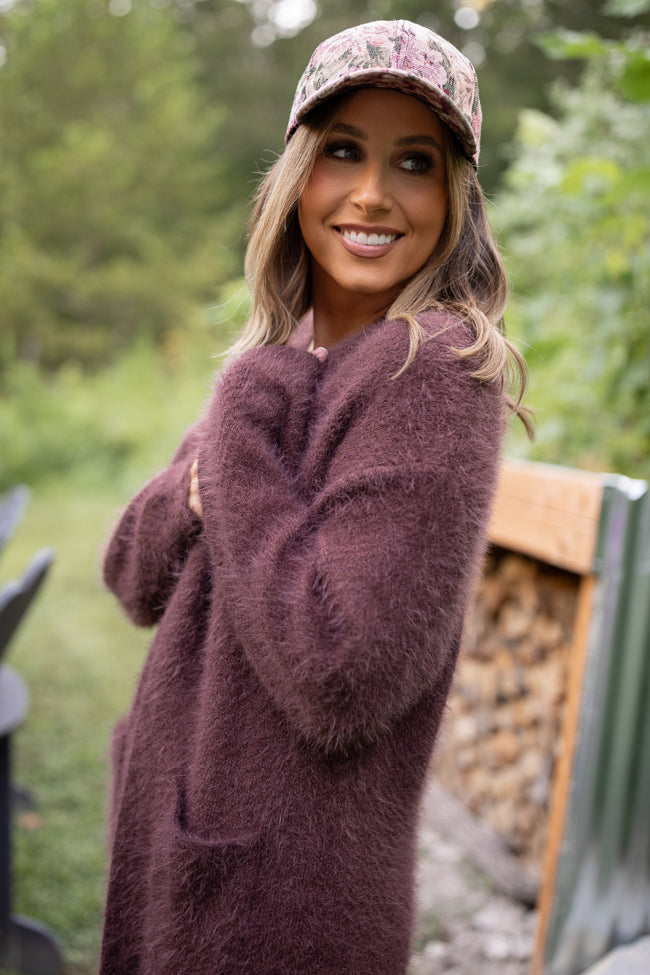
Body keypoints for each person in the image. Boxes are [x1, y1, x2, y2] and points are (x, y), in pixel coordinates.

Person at [100, 19, 529, 975]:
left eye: (414, 162)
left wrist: (243, 412)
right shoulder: (291, 354)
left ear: (454, 199)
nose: (372, 191)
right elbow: (130, 573)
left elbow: (340, 672)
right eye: (343, 150)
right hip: (183, 849)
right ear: (297, 175)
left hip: (281, 904)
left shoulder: (430, 372)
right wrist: (201, 485)